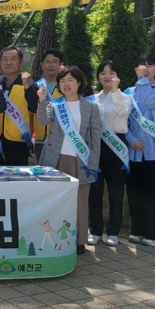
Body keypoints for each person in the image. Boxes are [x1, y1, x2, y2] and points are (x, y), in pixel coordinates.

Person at [37, 66, 101, 255]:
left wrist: (94, 163)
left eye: (70, 80)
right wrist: (42, 101)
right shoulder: (55, 104)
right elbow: (42, 121)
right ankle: (57, 239)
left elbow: (96, 137)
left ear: (79, 83)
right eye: (62, 81)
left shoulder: (90, 107)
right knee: (57, 200)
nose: (66, 84)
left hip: (80, 160)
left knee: (80, 201)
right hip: (56, 159)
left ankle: (80, 240)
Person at [126, 54, 155, 247]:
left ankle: (153, 234)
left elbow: (146, 101)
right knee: (135, 192)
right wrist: (131, 139)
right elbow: (124, 121)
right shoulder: (128, 92)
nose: (145, 68)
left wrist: (142, 81)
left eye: (150, 65)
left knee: (154, 194)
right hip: (134, 151)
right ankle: (137, 230)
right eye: (141, 65)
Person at [87, 61, 132, 247]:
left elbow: (122, 112)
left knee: (116, 192)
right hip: (96, 146)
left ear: (118, 76)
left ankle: (113, 232)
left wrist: (114, 91)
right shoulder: (91, 99)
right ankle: (95, 231)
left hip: (117, 146)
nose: (106, 76)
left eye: (111, 73)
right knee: (94, 191)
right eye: (103, 73)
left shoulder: (126, 97)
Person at [0, 46, 39, 166]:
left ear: (20, 62)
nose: (8, 62)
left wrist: (27, 88)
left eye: (13, 59)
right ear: (0, 63)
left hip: (20, 142)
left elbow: (34, 107)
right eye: (5, 59)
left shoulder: (30, 84)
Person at [34, 49, 64, 160]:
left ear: (61, 64)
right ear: (42, 65)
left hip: (60, 139)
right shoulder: (35, 86)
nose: (50, 65)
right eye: (47, 62)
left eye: (55, 61)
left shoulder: (66, 87)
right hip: (40, 139)